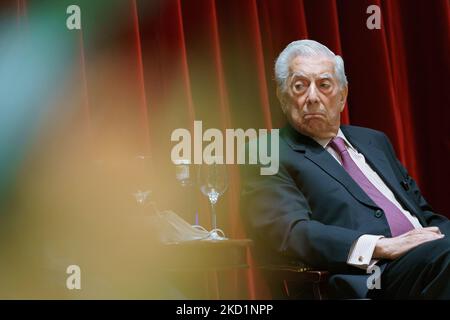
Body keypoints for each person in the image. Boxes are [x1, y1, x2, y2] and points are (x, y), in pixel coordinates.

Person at [240, 39, 450, 299]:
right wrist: (382, 246)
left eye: (324, 84)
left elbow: (424, 214)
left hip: (432, 258)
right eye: (299, 86)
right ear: (282, 97)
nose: (313, 97)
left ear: (342, 95)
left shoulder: (374, 141)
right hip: (375, 276)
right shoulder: (267, 152)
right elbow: (291, 232)